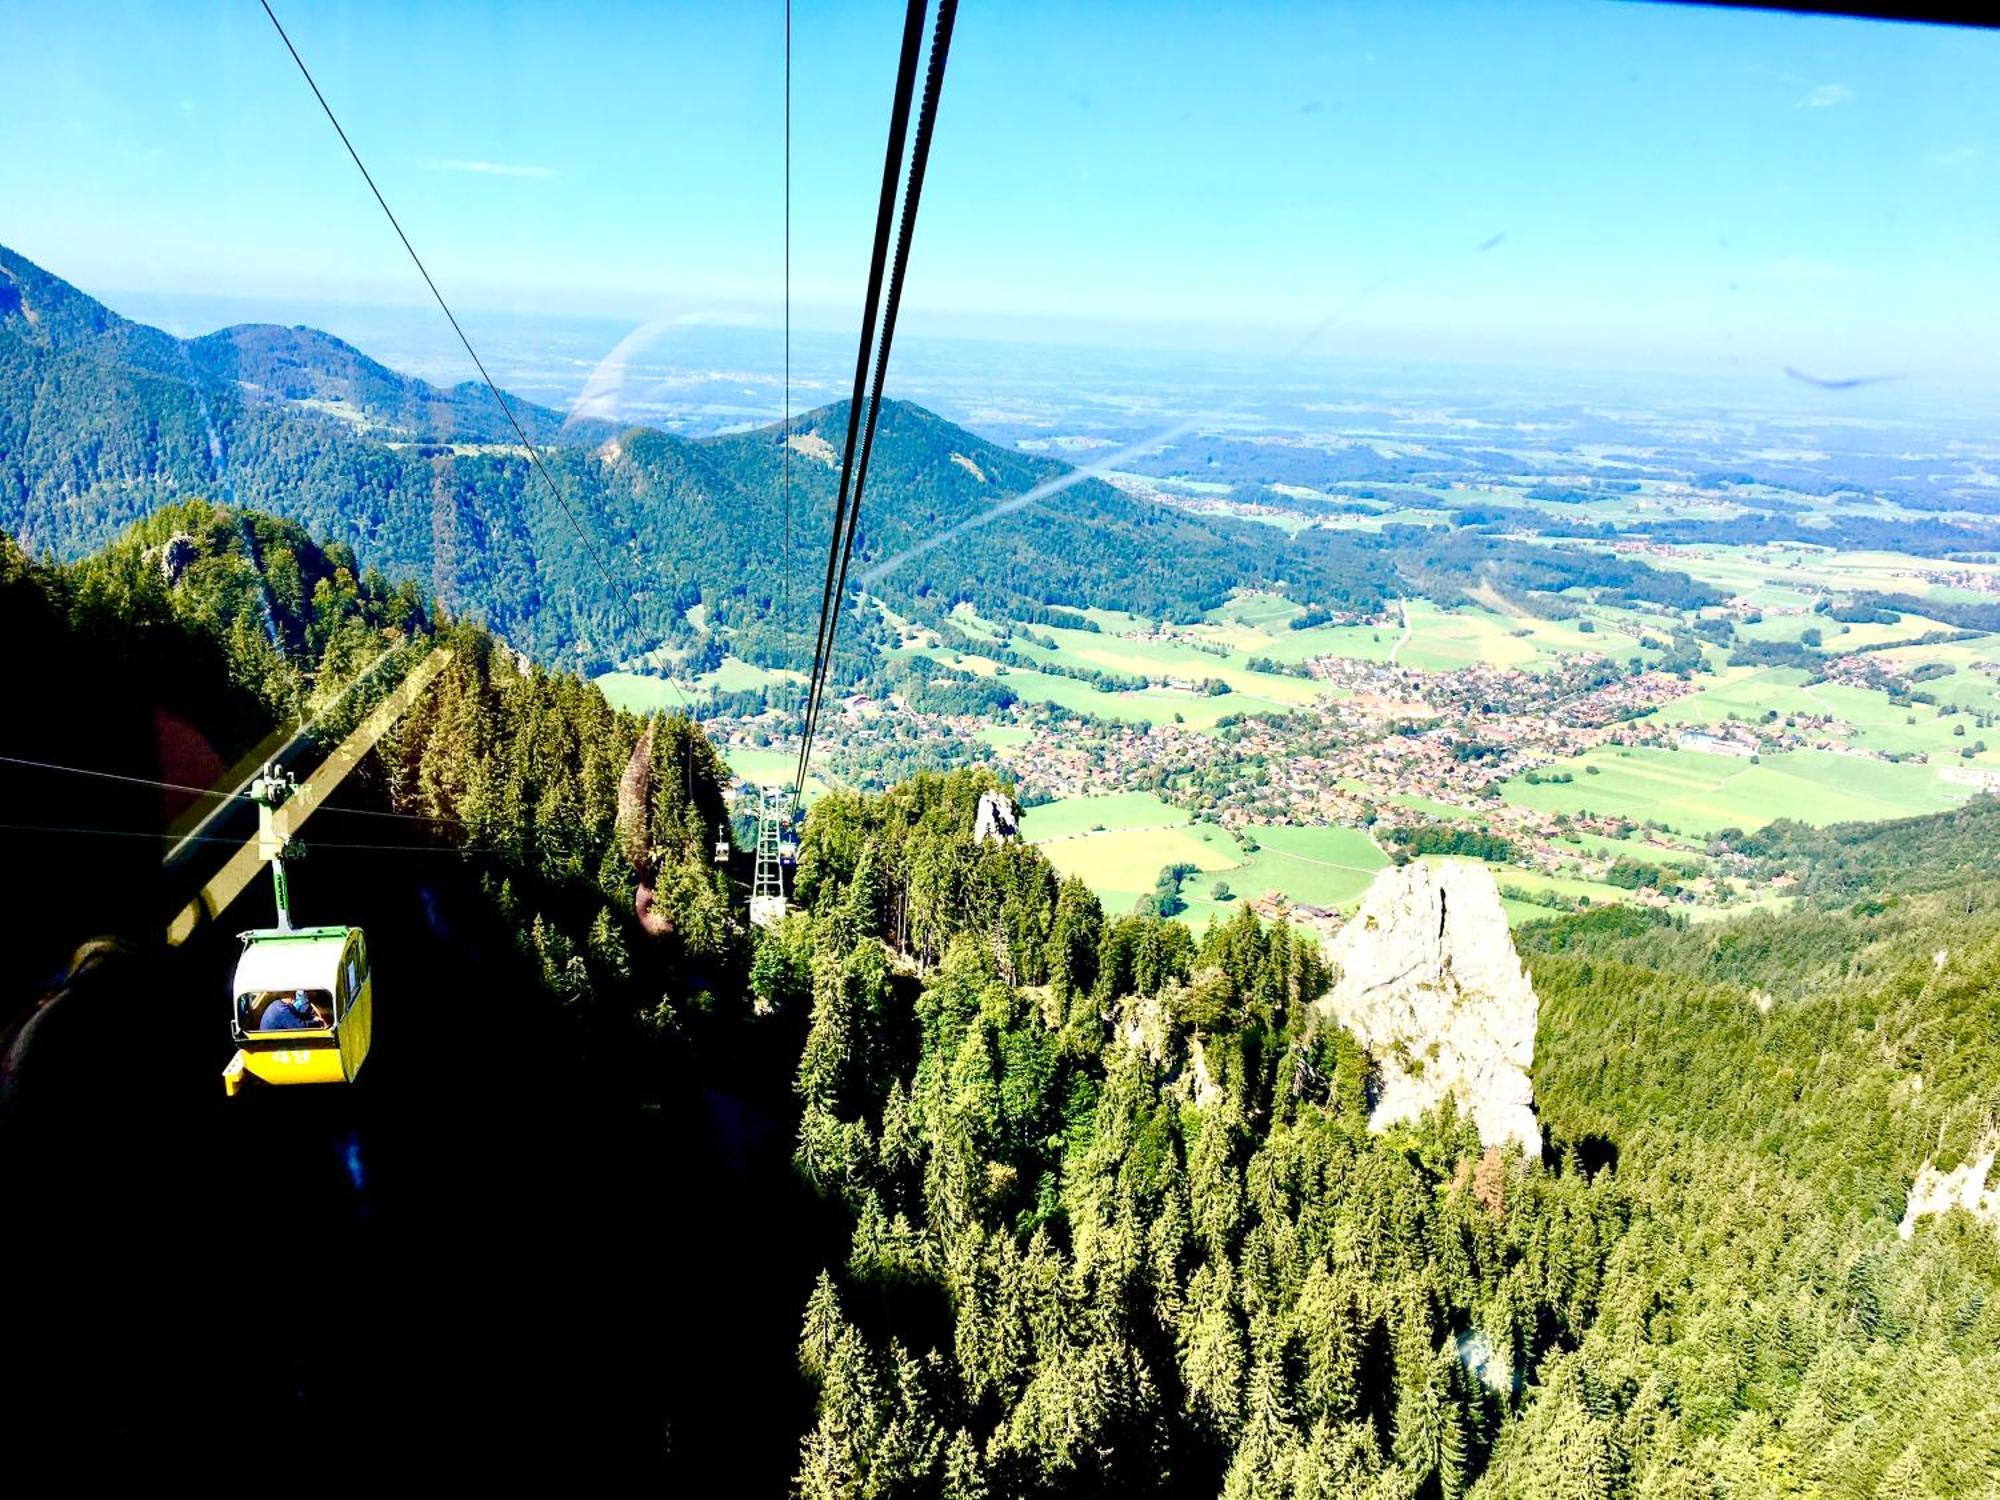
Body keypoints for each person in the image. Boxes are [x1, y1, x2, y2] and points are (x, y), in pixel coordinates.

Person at [259, 989, 324, 1031]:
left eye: (294, 993)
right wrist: (314, 1021)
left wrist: (312, 1018)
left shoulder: (280, 1004)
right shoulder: (282, 1009)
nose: (294, 996)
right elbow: (299, 1027)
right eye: (291, 993)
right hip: (271, 1043)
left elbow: (297, 1015)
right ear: (284, 994)